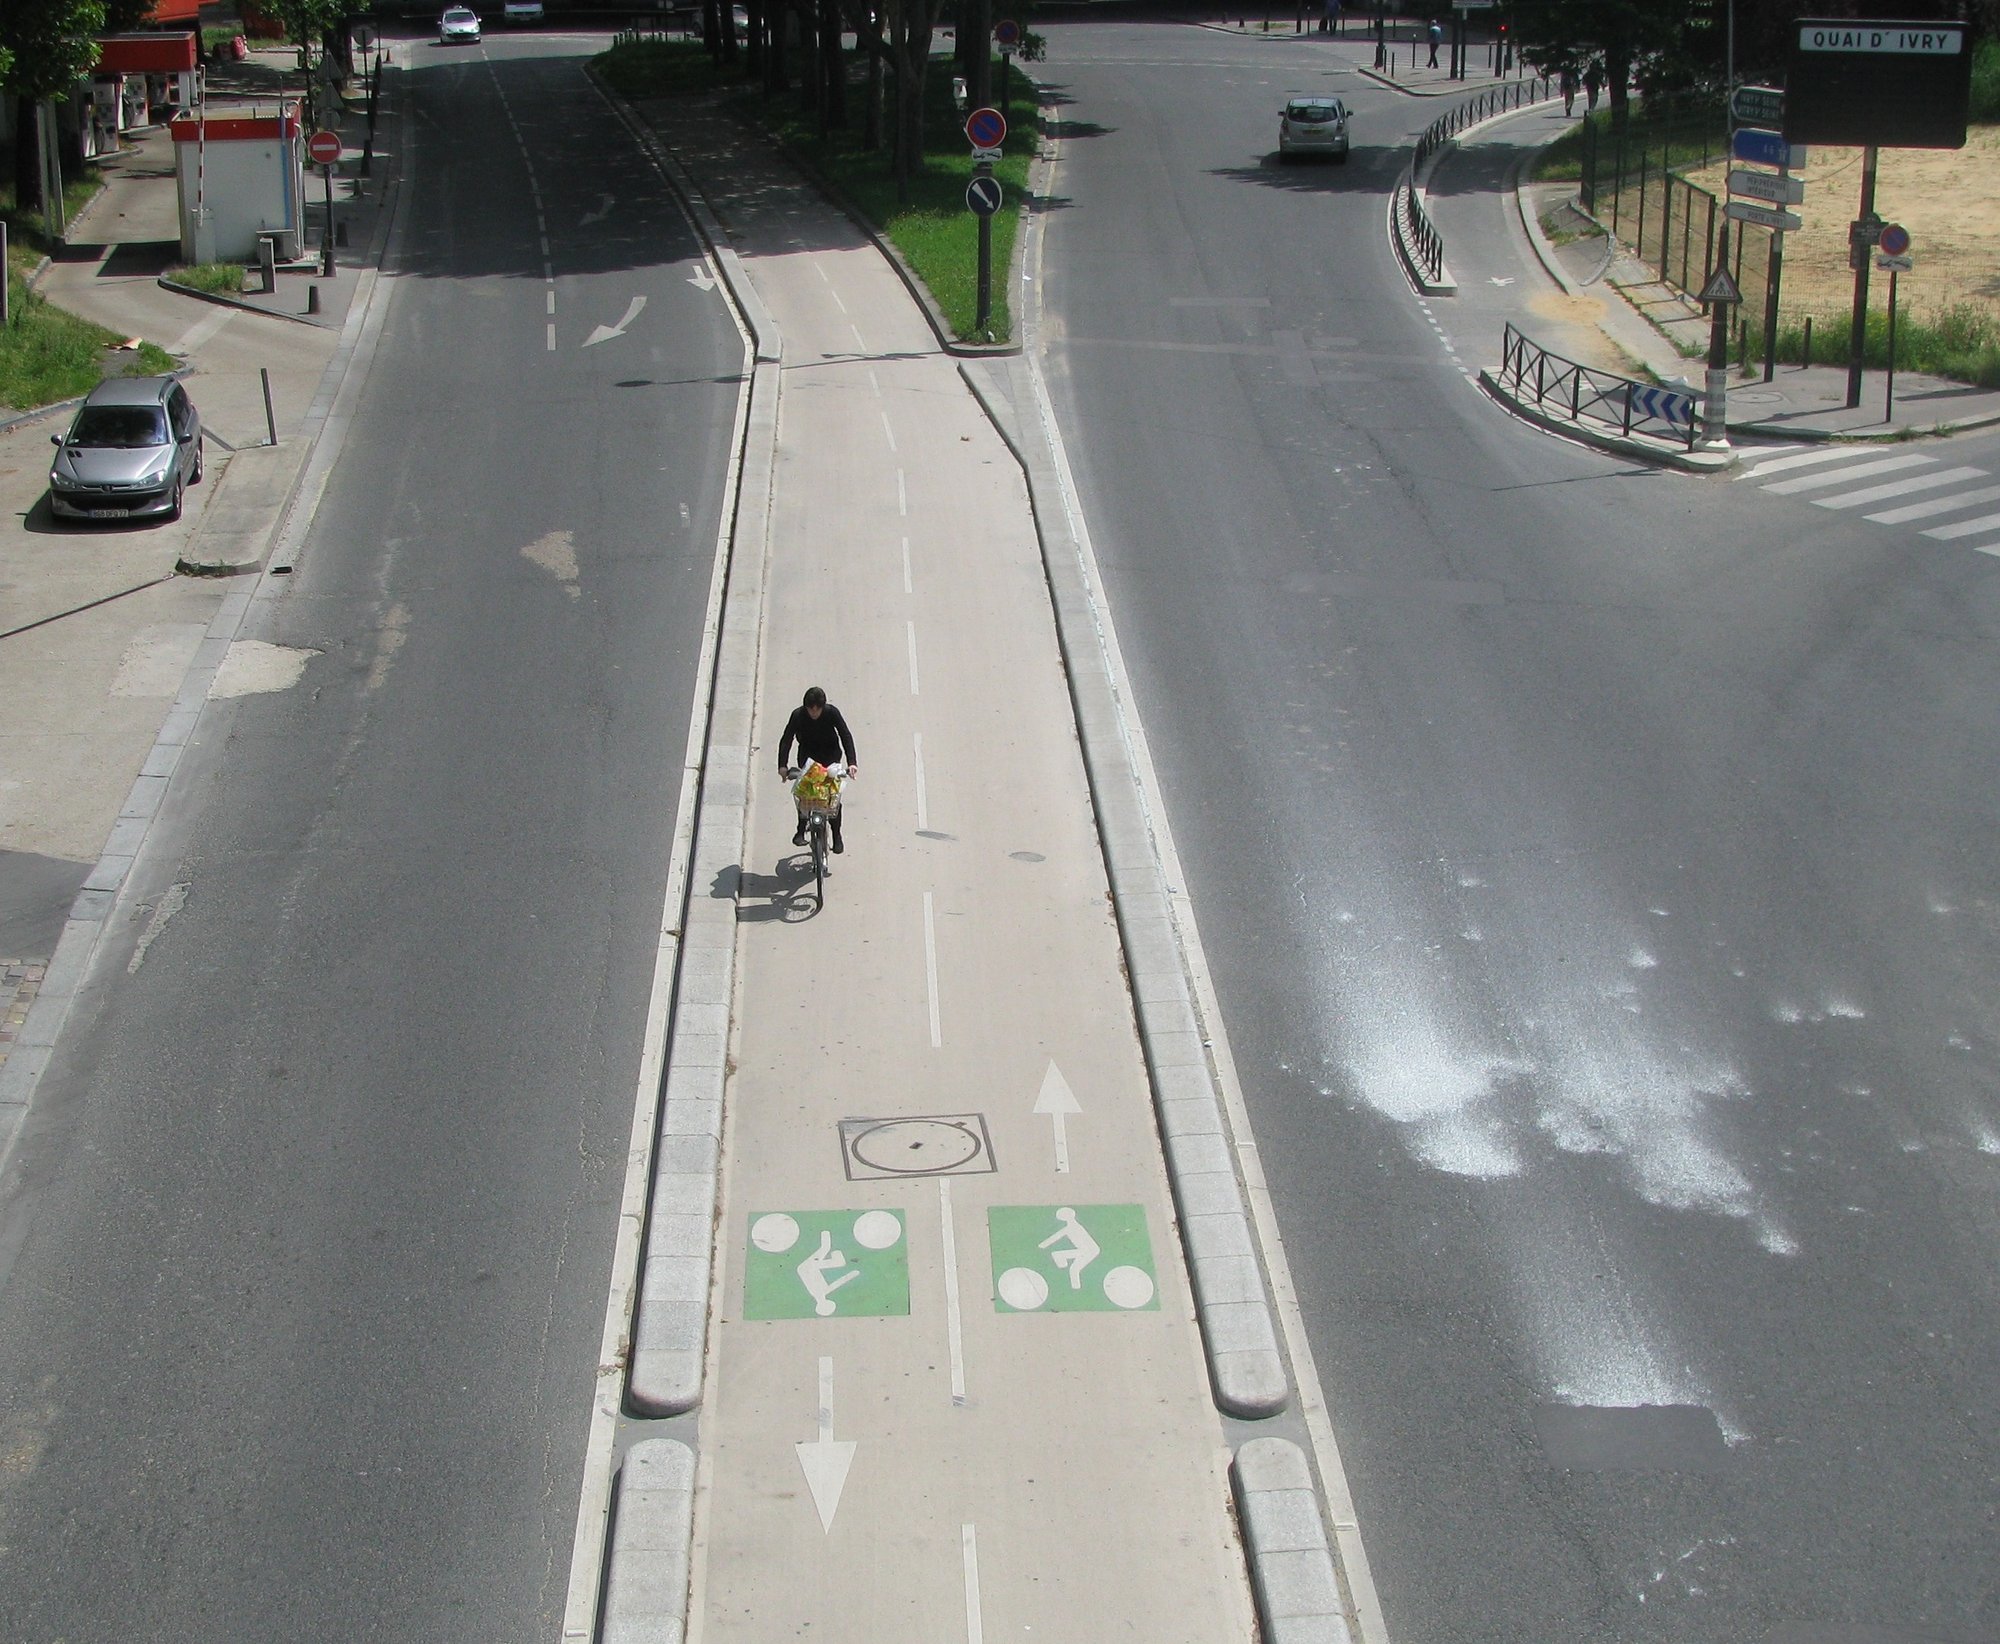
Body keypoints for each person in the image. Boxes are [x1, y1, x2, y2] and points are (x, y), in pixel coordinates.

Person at [778, 686, 859, 852]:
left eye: (817, 709)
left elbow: (845, 735)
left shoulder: (831, 713)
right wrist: (782, 766)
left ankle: (837, 836)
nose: (814, 713)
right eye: (810, 709)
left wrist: (852, 762)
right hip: (808, 758)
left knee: (832, 798)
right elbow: (786, 740)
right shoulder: (798, 716)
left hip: (830, 757)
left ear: (822, 707)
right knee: (805, 794)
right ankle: (800, 830)